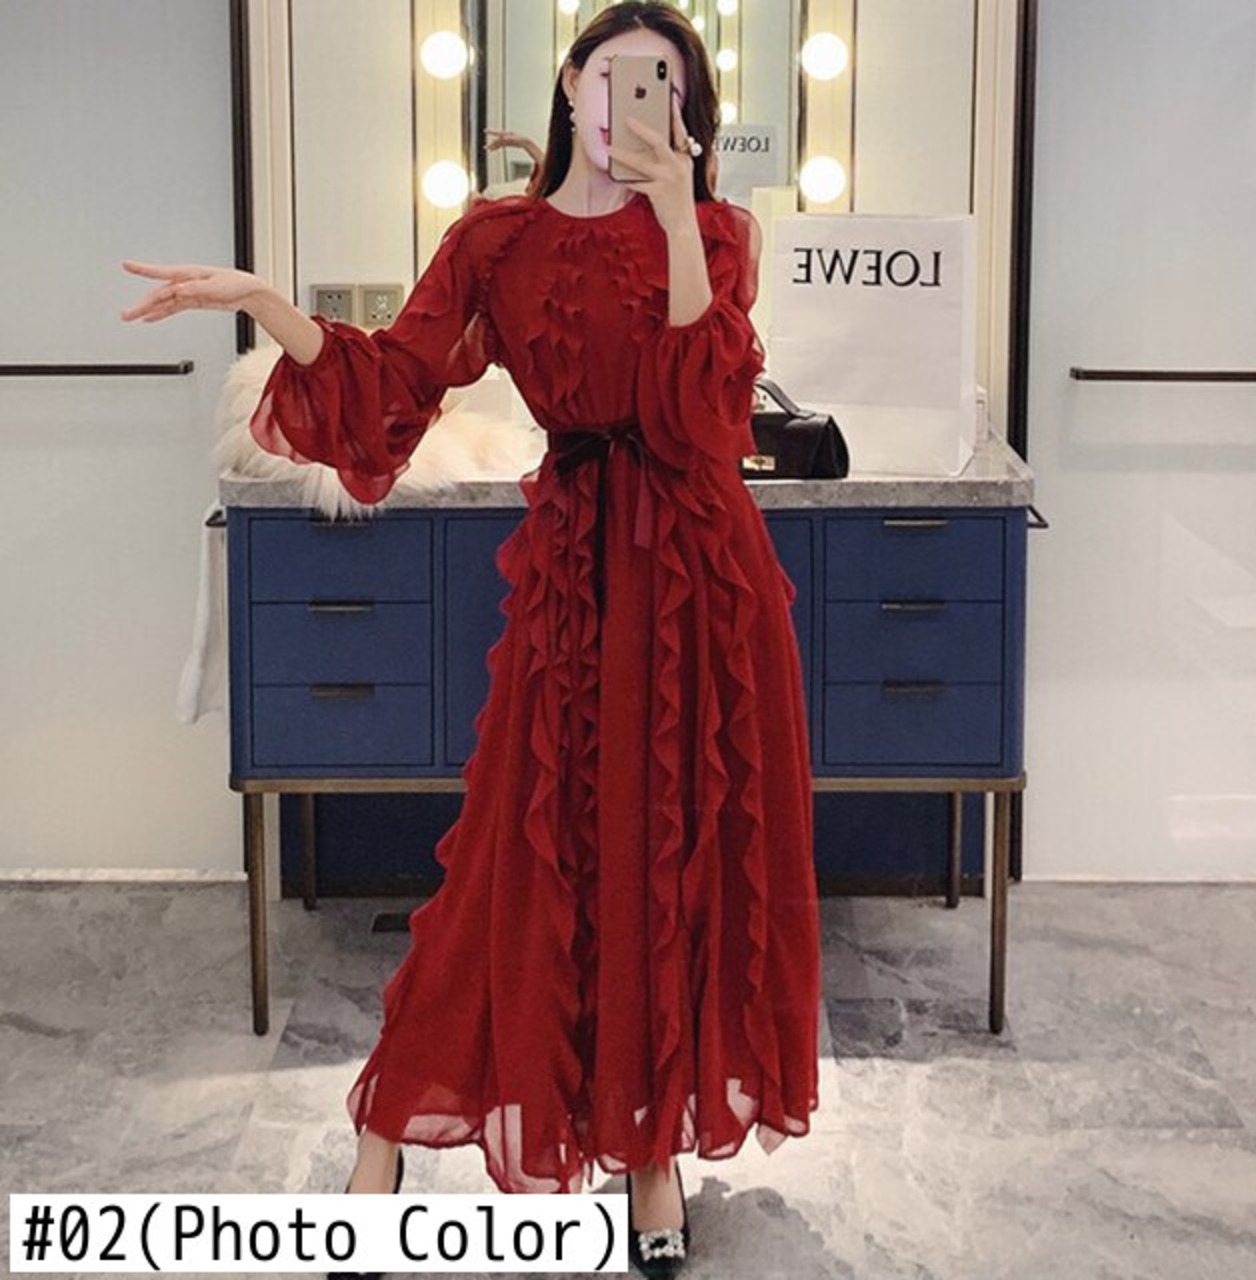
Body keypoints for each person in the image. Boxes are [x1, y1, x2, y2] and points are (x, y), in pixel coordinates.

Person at [120, 3, 821, 1274]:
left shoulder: (720, 232)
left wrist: (676, 219)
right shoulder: (496, 239)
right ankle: (386, 1122)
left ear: (689, 109)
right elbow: (390, 386)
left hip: (702, 581)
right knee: (517, 857)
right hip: (576, 577)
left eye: (667, 83)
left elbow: (700, 413)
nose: (638, 100)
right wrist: (266, 304)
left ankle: (648, 1151)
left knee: (674, 866)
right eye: (616, 74)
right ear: (570, 81)